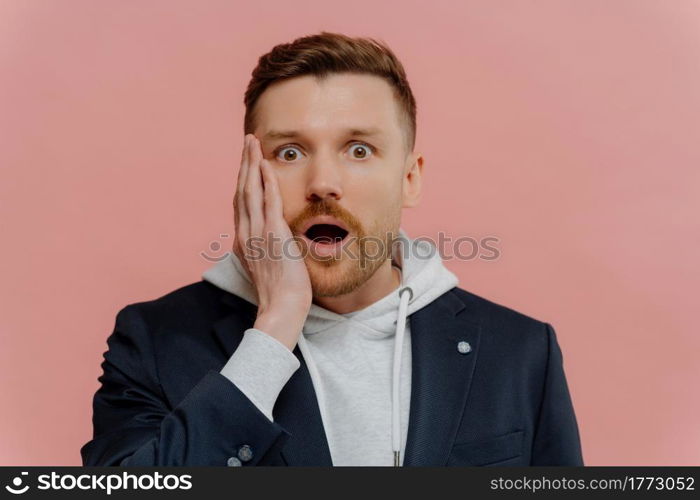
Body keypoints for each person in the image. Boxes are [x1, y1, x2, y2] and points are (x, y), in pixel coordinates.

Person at [80, 31, 583, 467]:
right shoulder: (152, 340)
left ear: (409, 179)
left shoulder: (520, 351)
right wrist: (274, 329)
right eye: (289, 152)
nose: (323, 182)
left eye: (359, 150)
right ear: (248, 179)